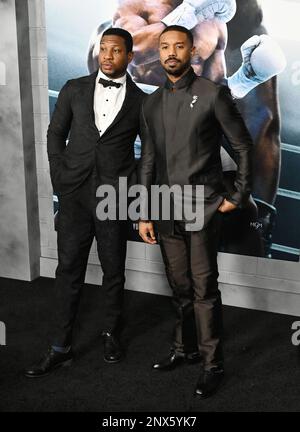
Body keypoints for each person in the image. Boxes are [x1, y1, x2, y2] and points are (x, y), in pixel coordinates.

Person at [87, 0, 286, 256]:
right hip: (137, 128)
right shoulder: (136, 9)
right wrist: (189, 13)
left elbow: (217, 89)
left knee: (246, 214)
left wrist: (246, 78)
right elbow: (133, 51)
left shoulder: (218, 26)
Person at [138, 25, 253, 398]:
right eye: (165, 46)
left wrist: (237, 194)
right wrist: (144, 212)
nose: (171, 52)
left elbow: (243, 147)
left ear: (191, 52)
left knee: (204, 289)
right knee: (180, 285)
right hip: (165, 210)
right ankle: (182, 349)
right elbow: (149, 162)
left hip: (203, 208)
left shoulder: (213, 95)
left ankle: (212, 364)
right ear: (160, 52)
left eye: (179, 46)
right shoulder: (151, 103)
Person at [25, 28, 145, 378]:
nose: (107, 55)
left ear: (129, 56)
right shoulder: (74, 88)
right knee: (68, 271)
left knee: (113, 273)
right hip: (74, 194)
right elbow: (54, 134)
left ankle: (111, 335)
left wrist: (131, 185)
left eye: (116, 51)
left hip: (114, 197)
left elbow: (150, 151)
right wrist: (60, 177)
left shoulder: (141, 101)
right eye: (103, 49)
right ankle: (60, 347)